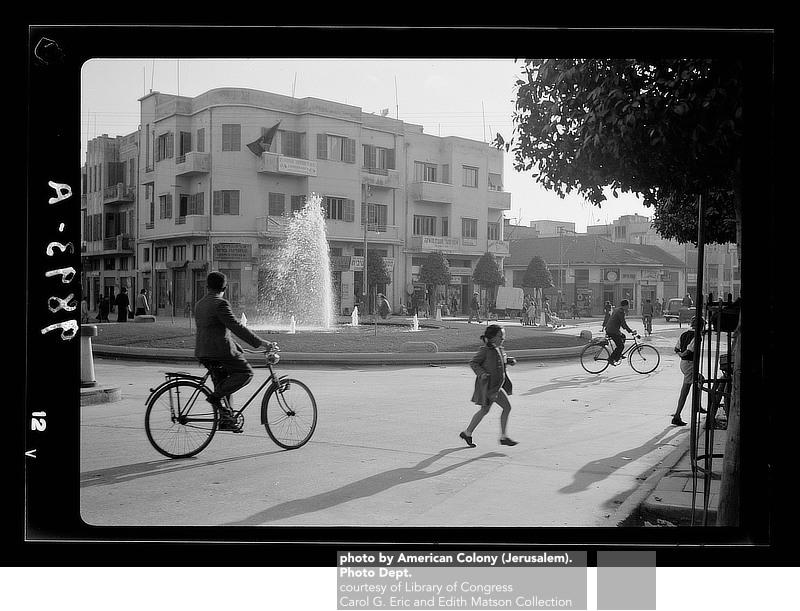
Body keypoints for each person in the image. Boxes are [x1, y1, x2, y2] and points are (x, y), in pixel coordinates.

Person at [195, 271, 276, 432]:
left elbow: (214, 330)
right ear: (225, 287)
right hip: (219, 352)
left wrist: (236, 346)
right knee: (246, 373)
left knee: (224, 383)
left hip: (203, 352)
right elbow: (236, 327)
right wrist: (261, 343)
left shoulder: (200, 303)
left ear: (207, 286)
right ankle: (215, 397)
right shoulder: (220, 303)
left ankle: (226, 419)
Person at [460, 324, 518, 447]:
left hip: (497, 386)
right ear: (492, 337)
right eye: (500, 336)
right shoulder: (485, 350)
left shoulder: (500, 349)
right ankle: (503, 437)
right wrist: (481, 374)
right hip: (490, 387)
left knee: (485, 410)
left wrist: (509, 361)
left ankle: (467, 433)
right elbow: (474, 362)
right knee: (506, 407)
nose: (503, 338)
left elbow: (500, 361)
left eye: (504, 336)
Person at [672, 316, 706, 426]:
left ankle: (697, 405)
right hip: (690, 363)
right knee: (685, 390)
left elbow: (676, 348)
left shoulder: (684, 334)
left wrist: (680, 355)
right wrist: (683, 354)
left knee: (700, 380)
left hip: (684, 364)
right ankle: (677, 415)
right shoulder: (697, 336)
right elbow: (689, 350)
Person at [605, 299, 636, 366]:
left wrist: (628, 329)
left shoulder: (617, 310)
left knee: (623, 337)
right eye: (628, 306)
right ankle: (611, 358)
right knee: (620, 346)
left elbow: (622, 324)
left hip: (611, 329)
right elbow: (623, 323)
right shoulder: (620, 312)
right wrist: (630, 331)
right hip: (612, 331)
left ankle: (618, 355)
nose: (628, 307)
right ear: (625, 306)